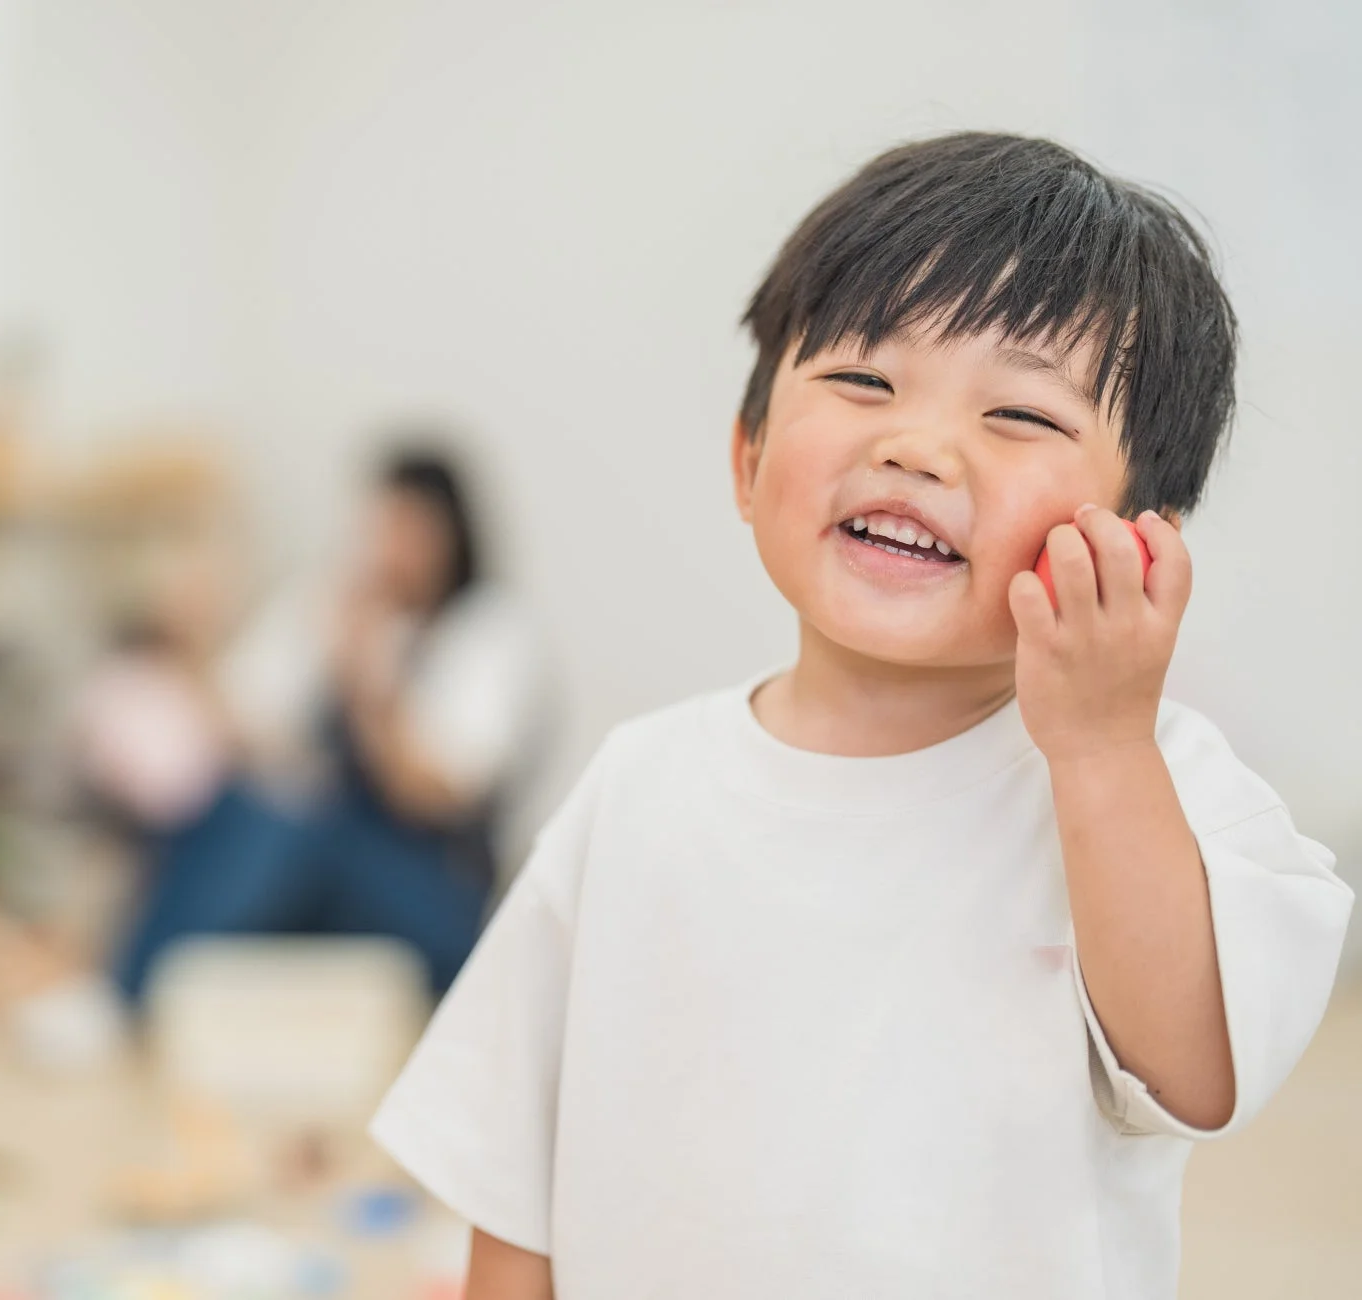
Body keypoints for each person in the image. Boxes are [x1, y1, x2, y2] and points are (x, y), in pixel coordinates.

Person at [369, 133, 1353, 1300]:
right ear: (748, 457)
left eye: (1022, 416)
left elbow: (1194, 1068)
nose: (918, 444)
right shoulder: (638, 785)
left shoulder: (1152, 781)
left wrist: (1098, 743)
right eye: (863, 381)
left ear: (1141, 540)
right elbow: (515, 1174)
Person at [110, 444, 546, 1002]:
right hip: (316, 869)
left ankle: (129, 997)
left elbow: (436, 795)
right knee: (231, 809)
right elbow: (237, 730)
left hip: (430, 889)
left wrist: (369, 689)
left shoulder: (489, 634)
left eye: (410, 529)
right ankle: (132, 991)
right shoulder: (329, 605)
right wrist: (194, 644)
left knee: (294, 828)